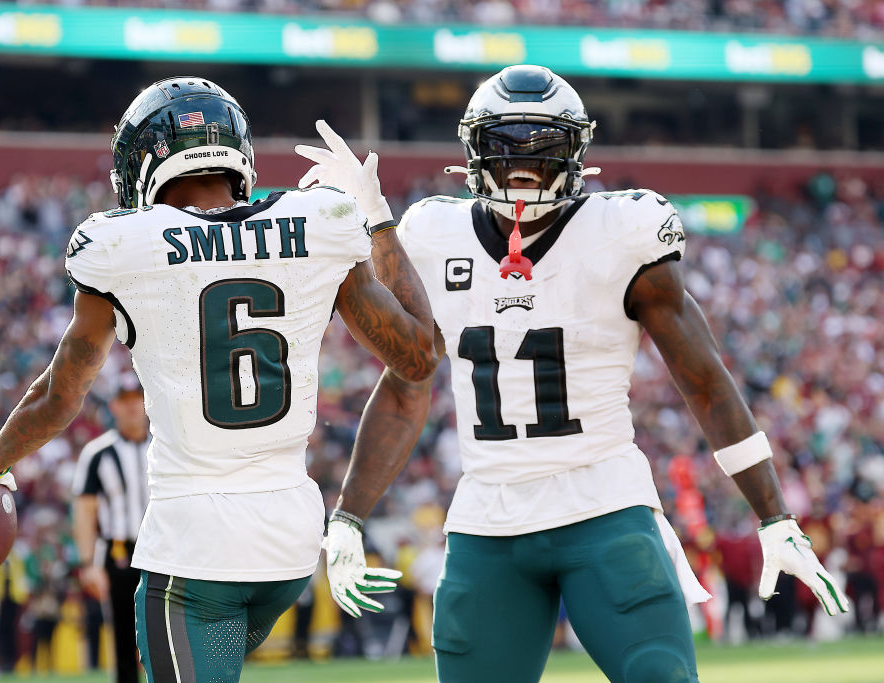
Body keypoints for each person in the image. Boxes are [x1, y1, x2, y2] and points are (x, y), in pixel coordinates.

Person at [328, 64, 850, 683]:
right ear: (474, 153)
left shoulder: (619, 233)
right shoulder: (432, 234)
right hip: (488, 518)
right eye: (505, 149)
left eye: (544, 151)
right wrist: (349, 515)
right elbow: (407, 383)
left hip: (603, 504)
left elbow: (705, 380)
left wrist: (774, 514)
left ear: (576, 155)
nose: (524, 168)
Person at [0, 76, 437, 683]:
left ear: (142, 166)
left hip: (195, 550)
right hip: (291, 543)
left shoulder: (123, 245)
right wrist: (377, 218)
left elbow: (60, 396)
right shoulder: (318, 221)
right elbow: (419, 357)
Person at [71, 376, 150, 683]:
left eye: (137, 399)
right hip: (118, 552)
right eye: (125, 401)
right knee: (122, 635)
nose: (132, 407)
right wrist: (88, 563)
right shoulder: (98, 453)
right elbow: (84, 510)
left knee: (164, 635)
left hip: (162, 550)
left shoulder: (164, 446)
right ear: (114, 406)